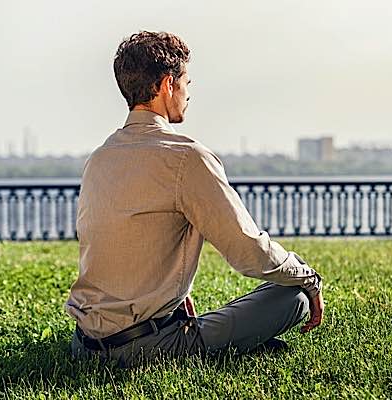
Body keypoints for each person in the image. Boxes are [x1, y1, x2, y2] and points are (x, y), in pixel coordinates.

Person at [64, 31, 324, 367]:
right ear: (168, 85)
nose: (188, 93)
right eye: (187, 82)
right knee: (293, 298)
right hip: (146, 348)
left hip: (85, 344)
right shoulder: (186, 158)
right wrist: (309, 279)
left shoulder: (99, 158)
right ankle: (228, 344)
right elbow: (248, 252)